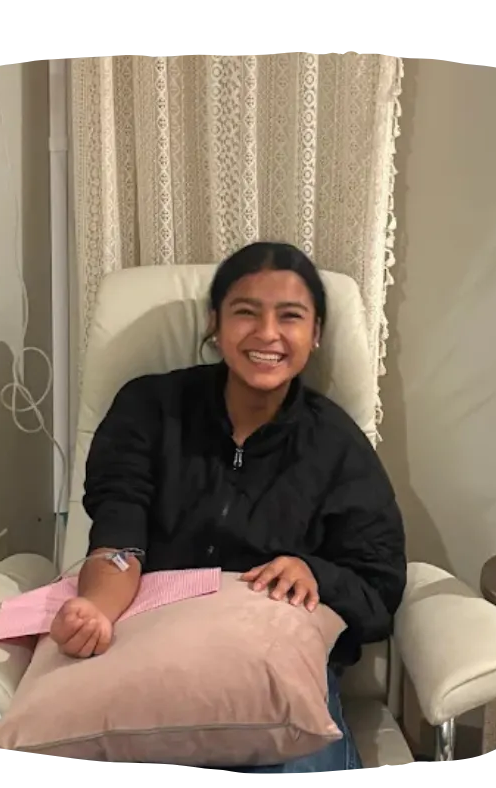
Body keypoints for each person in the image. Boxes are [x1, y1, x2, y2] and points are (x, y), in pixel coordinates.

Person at [49, 241, 408, 774]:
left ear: (316, 334)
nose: (267, 333)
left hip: (277, 673)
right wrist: (96, 609)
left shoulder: (338, 447)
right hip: (154, 651)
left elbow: (380, 588)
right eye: (246, 312)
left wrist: (315, 573)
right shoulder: (149, 409)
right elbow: (120, 536)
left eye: (290, 316)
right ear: (215, 324)